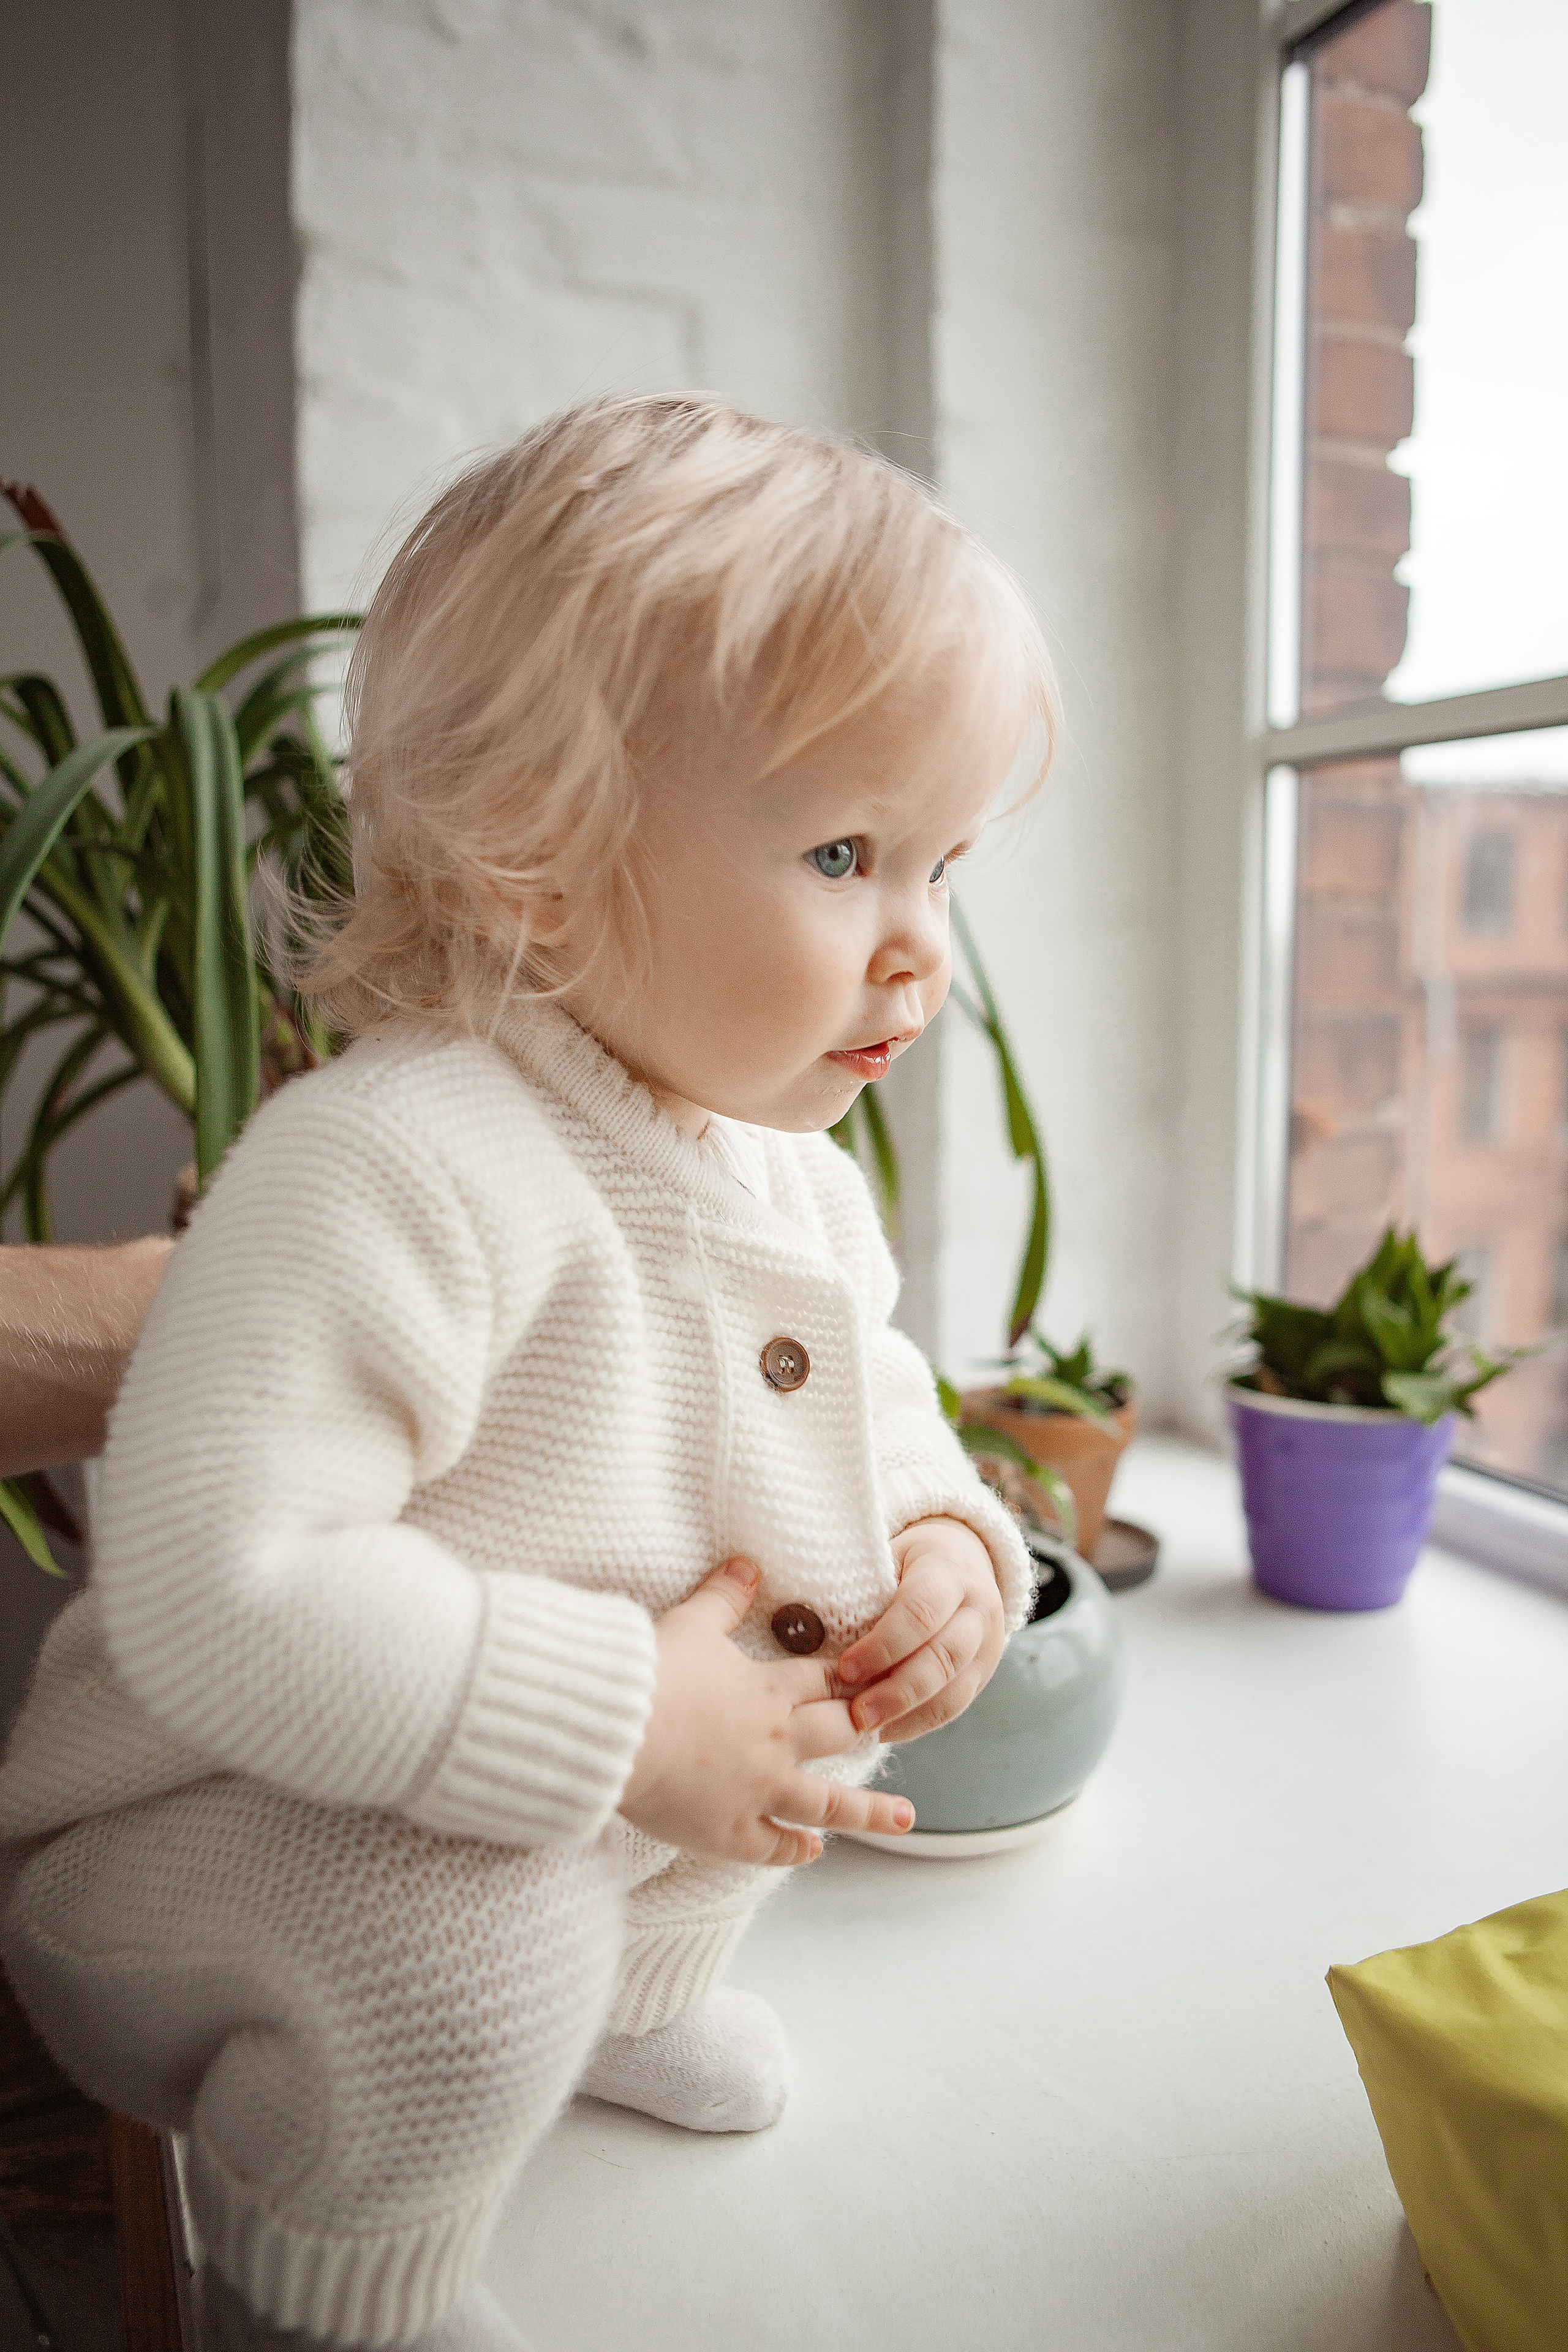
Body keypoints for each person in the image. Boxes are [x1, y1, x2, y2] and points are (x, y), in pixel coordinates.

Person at [0, 396, 1055, 2352]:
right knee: (469, 1934)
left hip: (510, 1787)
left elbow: (878, 1391)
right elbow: (225, 1595)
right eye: (844, 852)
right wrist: (625, 1723)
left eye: (944, 863)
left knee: (802, 1691)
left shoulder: (793, 1179)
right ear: (533, 863)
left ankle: (623, 2010)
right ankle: (329, 2278)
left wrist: (940, 1539)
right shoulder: (399, 1155)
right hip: (209, 1829)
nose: (919, 951)